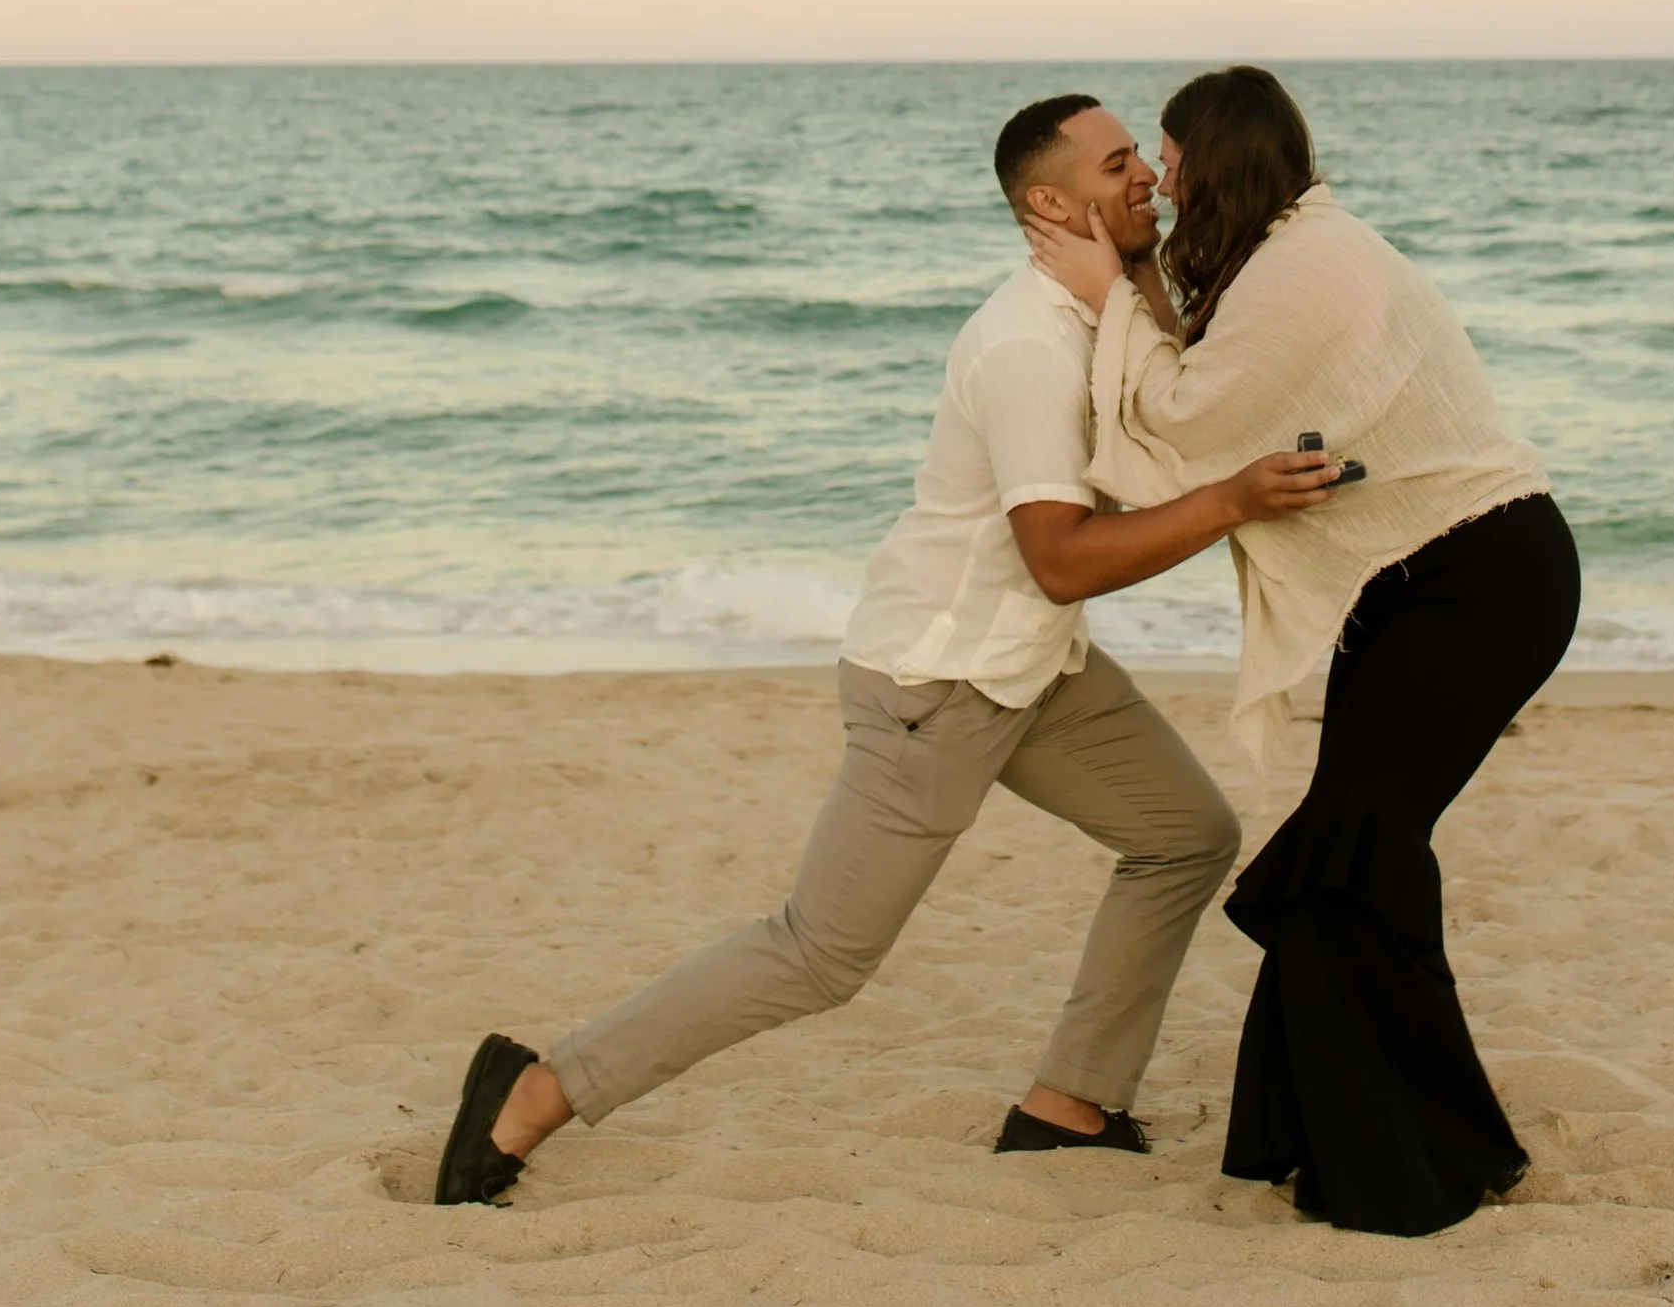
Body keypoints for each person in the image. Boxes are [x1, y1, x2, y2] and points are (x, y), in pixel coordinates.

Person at [431, 94, 1343, 1205]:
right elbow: (1059, 556)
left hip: (1032, 665)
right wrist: (1233, 501)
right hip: (936, 682)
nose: (1146, 176)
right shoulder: (1025, 347)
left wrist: (1143, 287)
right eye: (1117, 167)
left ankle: (1068, 1108)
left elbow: (1163, 391)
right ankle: (537, 1089)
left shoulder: (1103, 312)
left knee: (1186, 835)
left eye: (1141, 161)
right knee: (820, 954)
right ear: (1050, 203)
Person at [1027, 64, 1579, 1240]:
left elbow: (1184, 420)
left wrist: (1112, 286)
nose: (1161, 183)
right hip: (1422, 585)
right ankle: (1401, 1136)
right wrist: (1130, 282)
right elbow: (1213, 394)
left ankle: (1396, 1163)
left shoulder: (1308, 266)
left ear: (1212, 156)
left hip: (1479, 582)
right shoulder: (1287, 253)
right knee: (1363, 860)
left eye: (1167, 157)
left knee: (1343, 862)